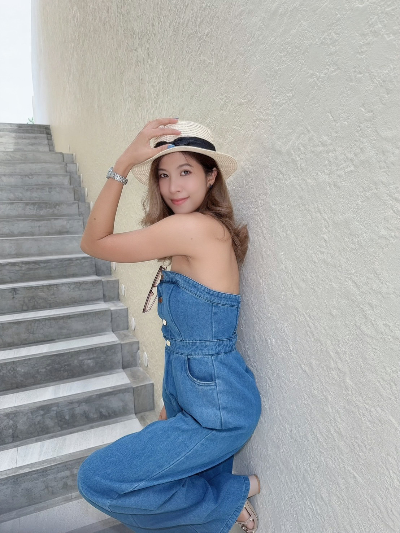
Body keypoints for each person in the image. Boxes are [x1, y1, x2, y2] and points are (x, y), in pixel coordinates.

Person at [77, 118, 262, 532]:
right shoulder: (197, 228)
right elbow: (192, 338)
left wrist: (123, 163)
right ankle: (228, 497)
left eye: (185, 171)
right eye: (163, 175)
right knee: (158, 485)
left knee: (98, 479)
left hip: (216, 406)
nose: (174, 187)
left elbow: (94, 243)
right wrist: (172, 399)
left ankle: (227, 497)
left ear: (211, 176)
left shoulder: (192, 228)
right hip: (198, 393)